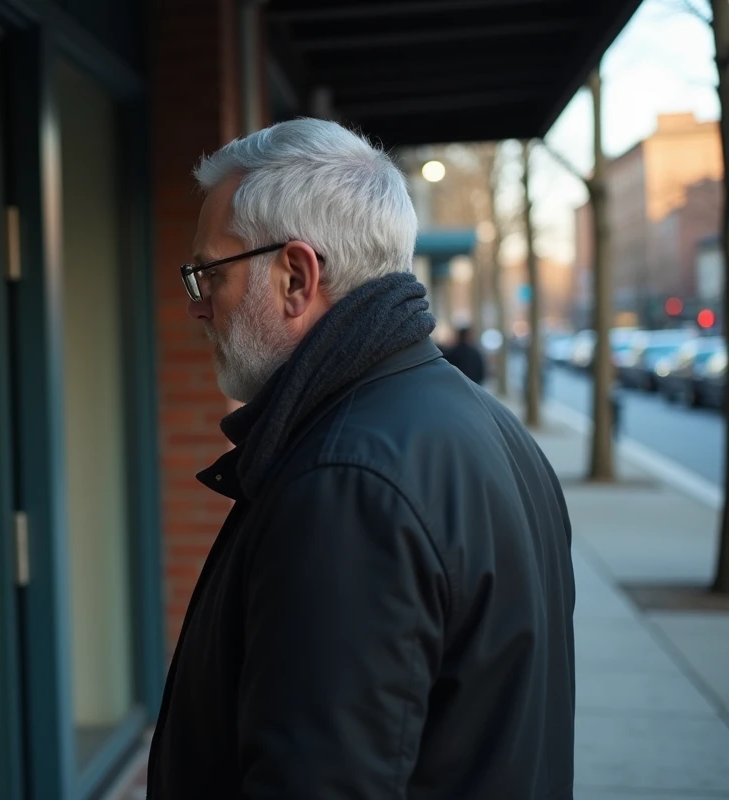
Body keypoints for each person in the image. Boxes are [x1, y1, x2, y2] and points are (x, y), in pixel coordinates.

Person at [149, 118, 576, 799]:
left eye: (208, 275)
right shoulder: (487, 426)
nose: (198, 309)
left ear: (295, 276)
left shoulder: (345, 483)